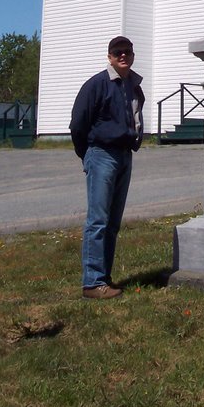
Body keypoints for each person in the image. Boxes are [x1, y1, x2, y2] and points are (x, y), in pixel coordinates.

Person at [70, 36, 145, 299]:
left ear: (132, 55)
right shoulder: (97, 85)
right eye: (118, 53)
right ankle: (92, 282)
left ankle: (105, 277)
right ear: (109, 57)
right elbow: (78, 124)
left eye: (127, 52)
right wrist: (88, 155)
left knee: (112, 222)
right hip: (101, 154)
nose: (123, 56)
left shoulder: (133, 85)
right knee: (98, 220)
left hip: (125, 155)